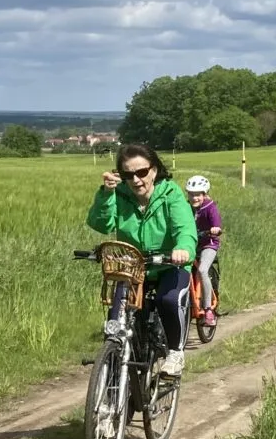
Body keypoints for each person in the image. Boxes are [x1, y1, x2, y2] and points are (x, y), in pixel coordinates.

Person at [87, 142, 196, 378]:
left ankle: (176, 352)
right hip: (134, 267)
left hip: (169, 264)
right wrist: (106, 194)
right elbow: (101, 224)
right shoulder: (119, 195)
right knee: (117, 317)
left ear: (154, 170)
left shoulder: (170, 193)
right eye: (128, 174)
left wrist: (183, 249)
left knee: (168, 300)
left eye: (142, 173)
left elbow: (185, 228)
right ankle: (115, 369)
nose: (136, 180)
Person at [186, 174, 222, 328]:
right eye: (191, 194)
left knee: (202, 270)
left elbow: (217, 224)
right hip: (192, 244)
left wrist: (215, 229)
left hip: (209, 244)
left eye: (198, 195)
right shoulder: (186, 207)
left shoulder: (210, 207)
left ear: (204, 194)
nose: (194, 198)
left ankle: (208, 310)